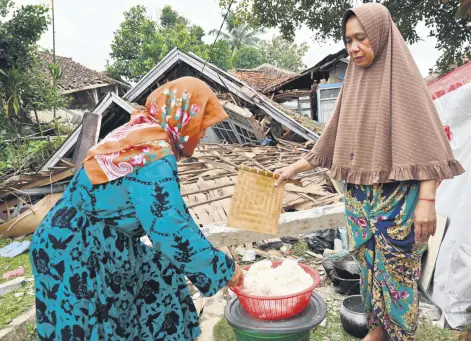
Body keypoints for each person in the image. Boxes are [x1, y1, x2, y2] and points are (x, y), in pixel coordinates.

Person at [275, 4, 464, 341]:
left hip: (398, 202)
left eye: (361, 38)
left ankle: (399, 335)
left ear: (380, 34)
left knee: (398, 275)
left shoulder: (405, 82)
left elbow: (428, 146)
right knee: (370, 270)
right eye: (348, 40)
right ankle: (377, 332)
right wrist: (295, 167)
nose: (353, 47)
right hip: (360, 200)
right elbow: (332, 137)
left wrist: (427, 200)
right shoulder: (355, 83)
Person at [30, 77, 244, 341]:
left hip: (95, 239)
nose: (200, 134)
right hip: (74, 249)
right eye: (201, 125)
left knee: (160, 274)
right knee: (88, 327)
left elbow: (171, 215)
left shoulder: (141, 136)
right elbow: (171, 230)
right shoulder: (152, 154)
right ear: (184, 118)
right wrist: (225, 270)